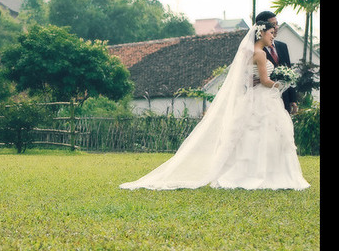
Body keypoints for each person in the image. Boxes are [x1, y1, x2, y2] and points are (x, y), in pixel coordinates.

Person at [119, 21, 309, 191]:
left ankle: (254, 171)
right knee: (262, 134)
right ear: (261, 33)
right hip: (264, 98)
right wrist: (281, 84)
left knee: (255, 135)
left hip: (258, 98)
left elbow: (251, 79)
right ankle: (262, 173)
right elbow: (265, 80)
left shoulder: (250, 53)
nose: (273, 36)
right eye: (270, 33)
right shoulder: (259, 54)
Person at [255, 11, 298, 114]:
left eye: (277, 24)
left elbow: (289, 72)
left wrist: (293, 99)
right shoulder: (255, 50)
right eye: (273, 25)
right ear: (262, 29)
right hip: (263, 100)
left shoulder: (282, 46)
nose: (276, 28)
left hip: (284, 99)